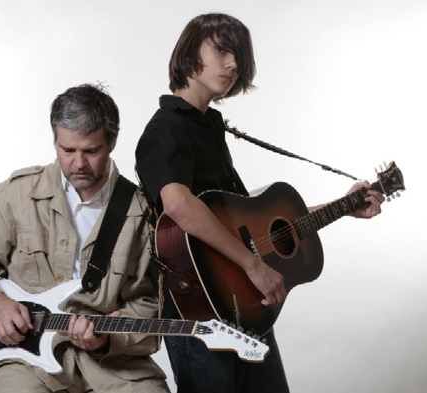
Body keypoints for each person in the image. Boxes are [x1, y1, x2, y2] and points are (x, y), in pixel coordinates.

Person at [135, 13, 384, 393]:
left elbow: (256, 219)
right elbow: (178, 205)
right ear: (189, 51)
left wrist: (345, 205)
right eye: (221, 50)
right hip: (199, 310)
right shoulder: (166, 128)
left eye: (238, 56)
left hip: (243, 306)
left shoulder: (209, 126)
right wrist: (254, 266)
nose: (233, 64)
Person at [0, 84, 170, 393]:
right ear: (55, 140)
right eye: (67, 150)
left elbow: (151, 301)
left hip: (112, 365)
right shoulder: (14, 195)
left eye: (91, 151)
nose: (78, 164)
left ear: (112, 143)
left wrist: (107, 338)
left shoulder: (144, 211)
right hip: (22, 360)